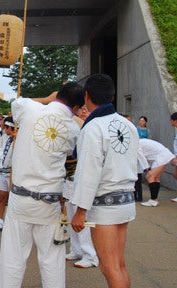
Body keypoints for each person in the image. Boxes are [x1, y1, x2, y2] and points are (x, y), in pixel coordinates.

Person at [0, 82, 85, 288]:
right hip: (50, 201)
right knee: (52, 260)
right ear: (75, 108)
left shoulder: (31, 108)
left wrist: (47, 99)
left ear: (58, 96)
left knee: (13, 258)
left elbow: (16, 103)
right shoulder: (74, 128)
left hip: (21, 199)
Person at [71, 73, 139, 288]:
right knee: (118, 264)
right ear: (112, 96)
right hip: (126, 199)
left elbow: (88, 171)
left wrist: (80, 211)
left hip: (105, 204)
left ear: (87, 96)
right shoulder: (127, 124)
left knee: (109, 267)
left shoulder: (93, 127)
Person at [64, 105, 99, 269]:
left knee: (82, 217)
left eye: (87, 109)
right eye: (81, 109)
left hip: (83, 178)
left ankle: (90, 254)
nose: (84, 111)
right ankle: (76, 249)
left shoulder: (93, 128)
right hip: (68, 177)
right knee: (71, 214)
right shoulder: (73, 124)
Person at [139, 138, 175, 207]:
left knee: (150, 176)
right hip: (163, 155)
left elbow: (142, 158)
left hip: (162, 157)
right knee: (156, 178)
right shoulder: (140, 141)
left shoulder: (137, 145)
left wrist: (147, 168)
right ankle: (155, 200)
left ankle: (153, 200)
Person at [0, 116, 16, 232]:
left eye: (7, 128)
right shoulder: (3, 138)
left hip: (14, 174)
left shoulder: (20, 139)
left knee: (13, 199)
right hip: (3, 172)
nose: (6, 130)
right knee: (2, 197)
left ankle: (11, 223)